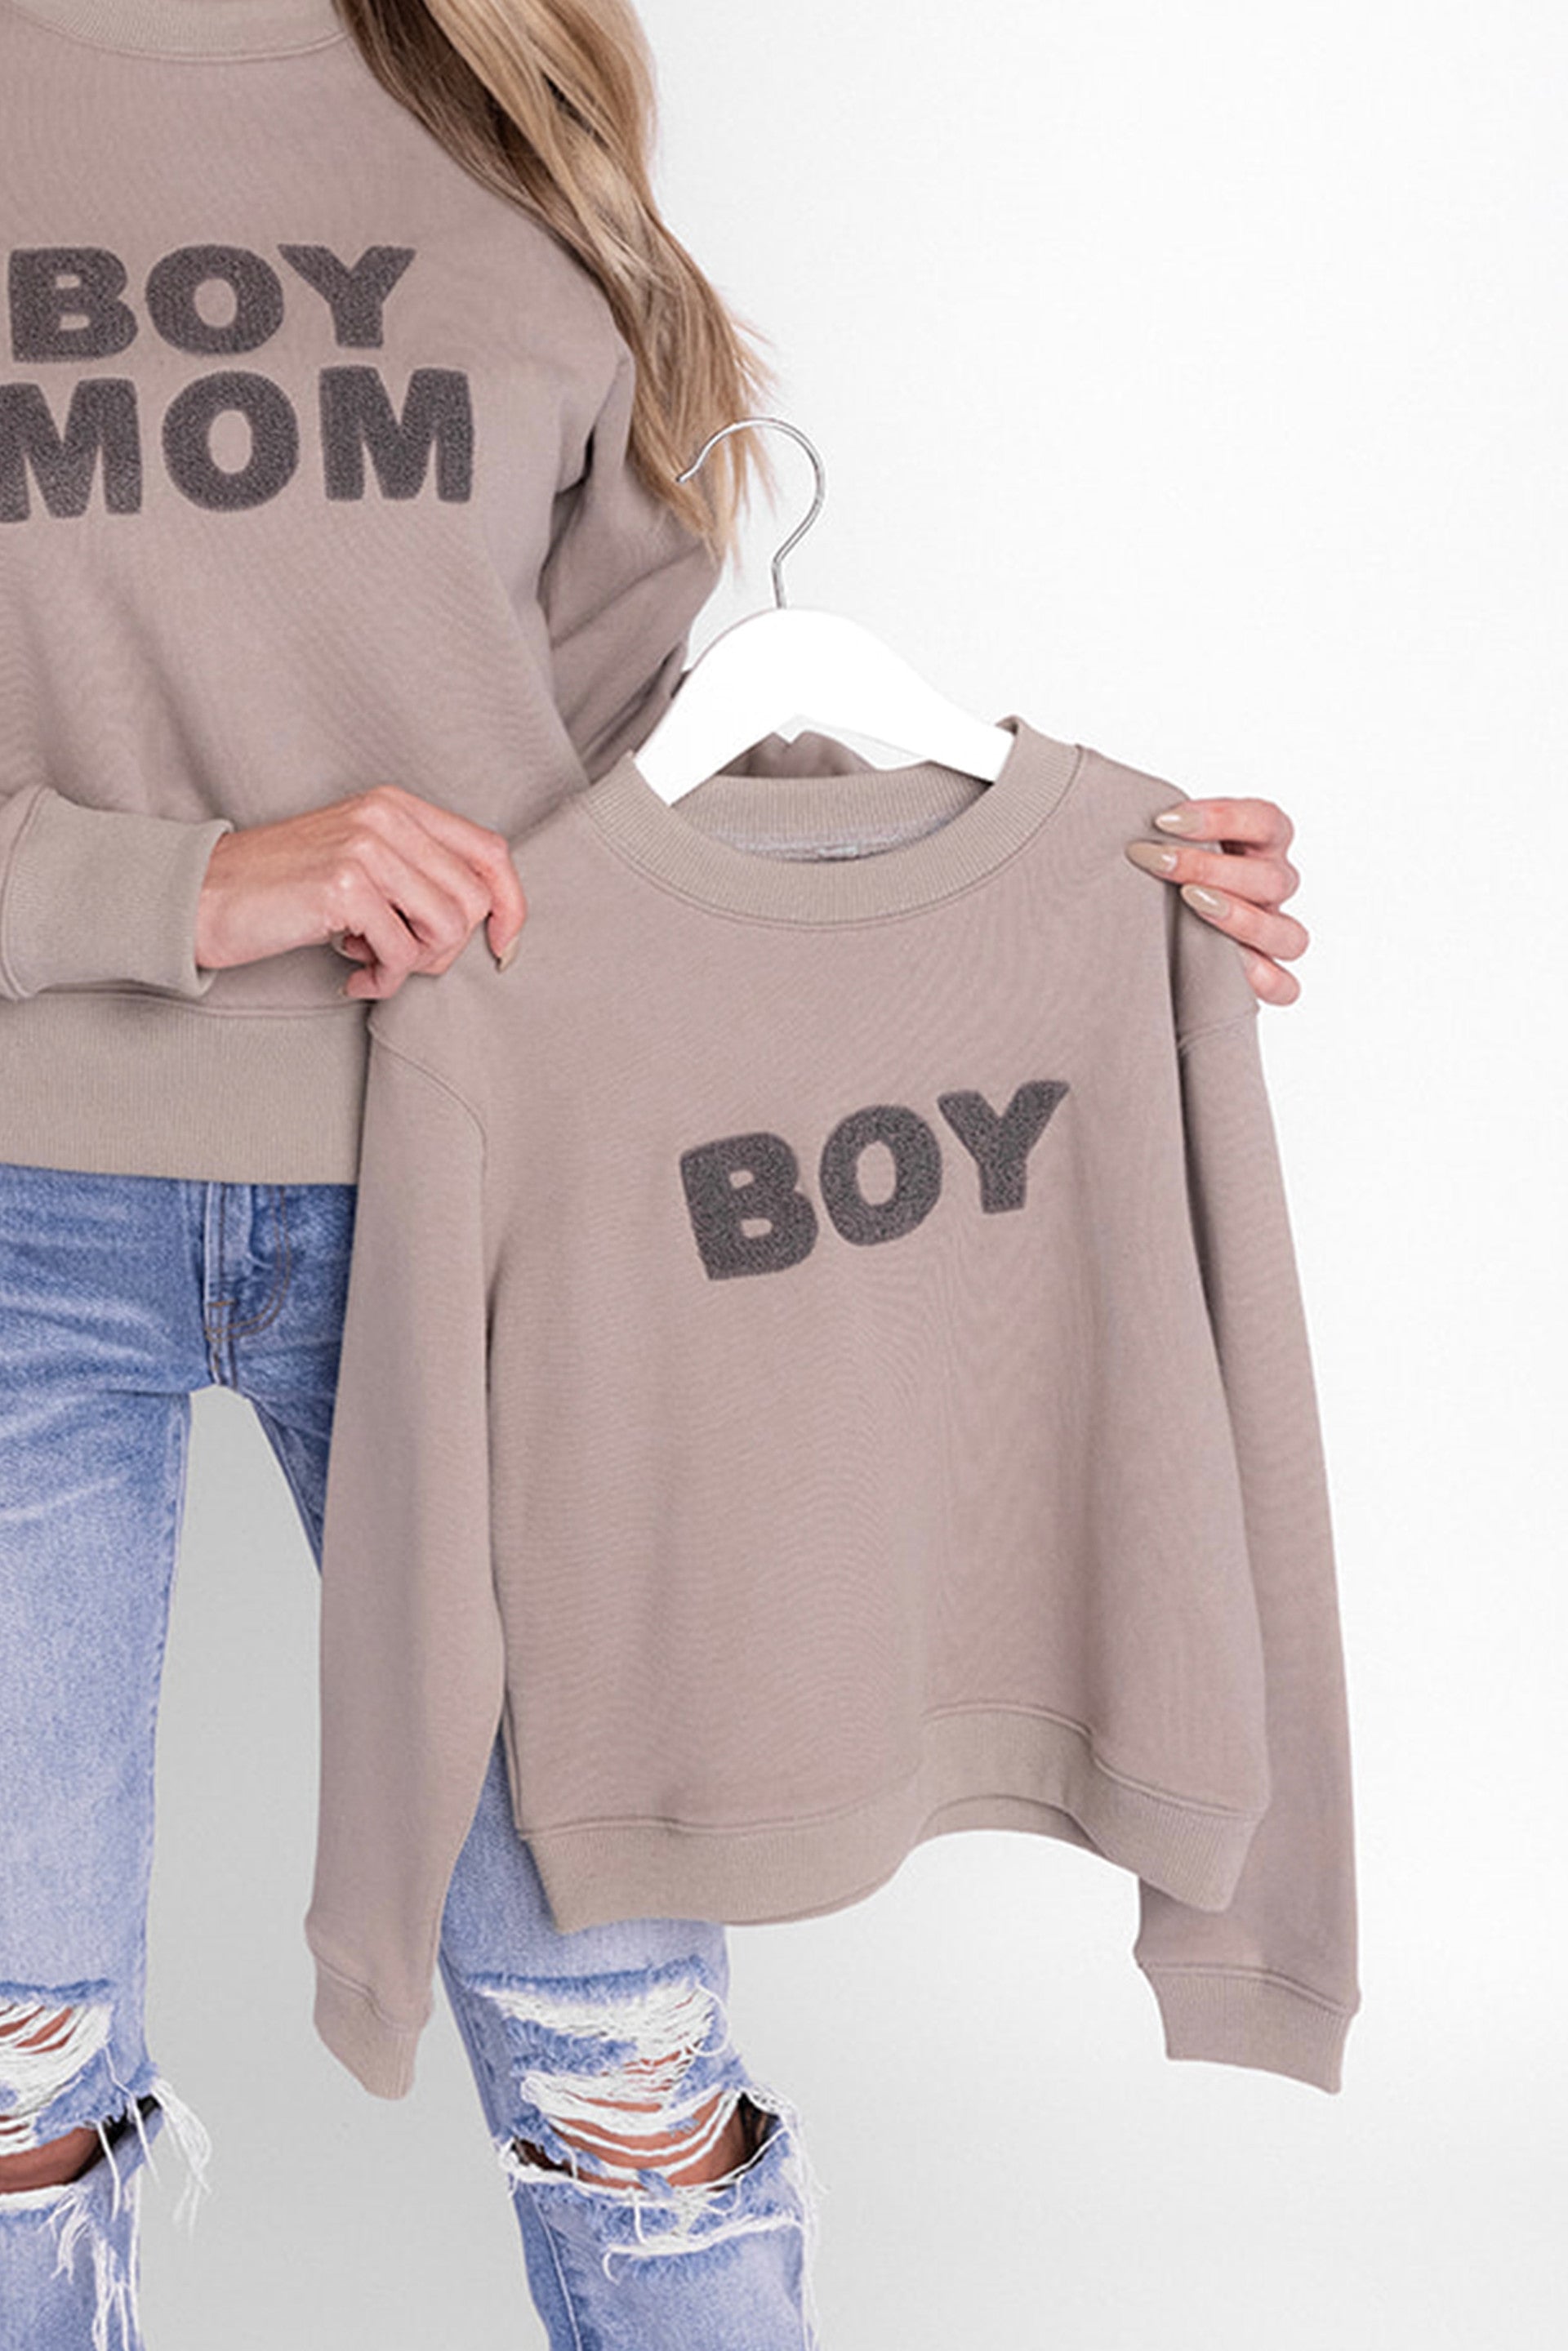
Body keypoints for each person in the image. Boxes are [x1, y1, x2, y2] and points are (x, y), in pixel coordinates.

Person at [0, 0, 1312, 2344]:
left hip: (512, 1211)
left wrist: (1047, 879)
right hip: (20, 1193)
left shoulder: (486, 84)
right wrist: (181, 884)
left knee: (624, 2070)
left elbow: (618, 770)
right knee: (10, 2085)